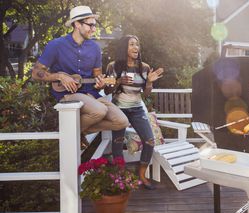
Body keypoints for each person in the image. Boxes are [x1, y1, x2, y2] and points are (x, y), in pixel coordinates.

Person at [31, 5, 128, 149]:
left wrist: (101, 83)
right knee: (99, 110)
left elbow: (97, 75)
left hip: (91, 94)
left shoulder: (95, 48)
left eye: (94, 25)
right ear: (77, 24)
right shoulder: (56, 45)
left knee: (121, 121)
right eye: (90, 25)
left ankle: (78, 131)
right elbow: (35, 73)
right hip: (67, 94)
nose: (94, 29)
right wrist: (59, 76)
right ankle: (75, 131)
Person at [105, 35, 163, 190]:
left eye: (137, 44)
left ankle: (142, 174)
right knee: (117, 144)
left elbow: (146, 94)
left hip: (137, 109)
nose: (136, 48)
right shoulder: (114, 66)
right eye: (132, 44)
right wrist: (118, 82)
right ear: (124, 47)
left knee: (150, 141)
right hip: (118, 109)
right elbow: (106, 89)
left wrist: (149, 82)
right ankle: (121, 176)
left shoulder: (143, 67)